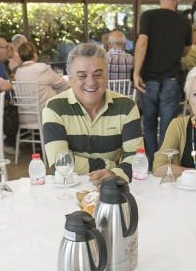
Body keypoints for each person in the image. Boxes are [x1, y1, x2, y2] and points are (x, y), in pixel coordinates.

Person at [42, 43, 142, 185]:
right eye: (82, 76)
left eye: (97, 74)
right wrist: (111, 167)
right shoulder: (55, 108)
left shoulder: (127, 106)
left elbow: (137, 158)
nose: (91, 82)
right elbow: (59, 164)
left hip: (111, 185)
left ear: (106, 77)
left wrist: (113, 174)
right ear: (70, 80)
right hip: (68, 187)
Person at [132, 0, 193, 160]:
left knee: (148, 125)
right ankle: (164, 164)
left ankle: (151, 163)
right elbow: (186, 50)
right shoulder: (184, 22)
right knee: (167, 127)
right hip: (172, 79)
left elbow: (142, 43)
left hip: (148, 79)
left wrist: (136, 72)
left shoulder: (148, 16)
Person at [14, 41, 68, 111]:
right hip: (46, 116)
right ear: (34, 54)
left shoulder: (18, 72)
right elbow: (63, 85)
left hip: (25, 118)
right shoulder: (42, 68)